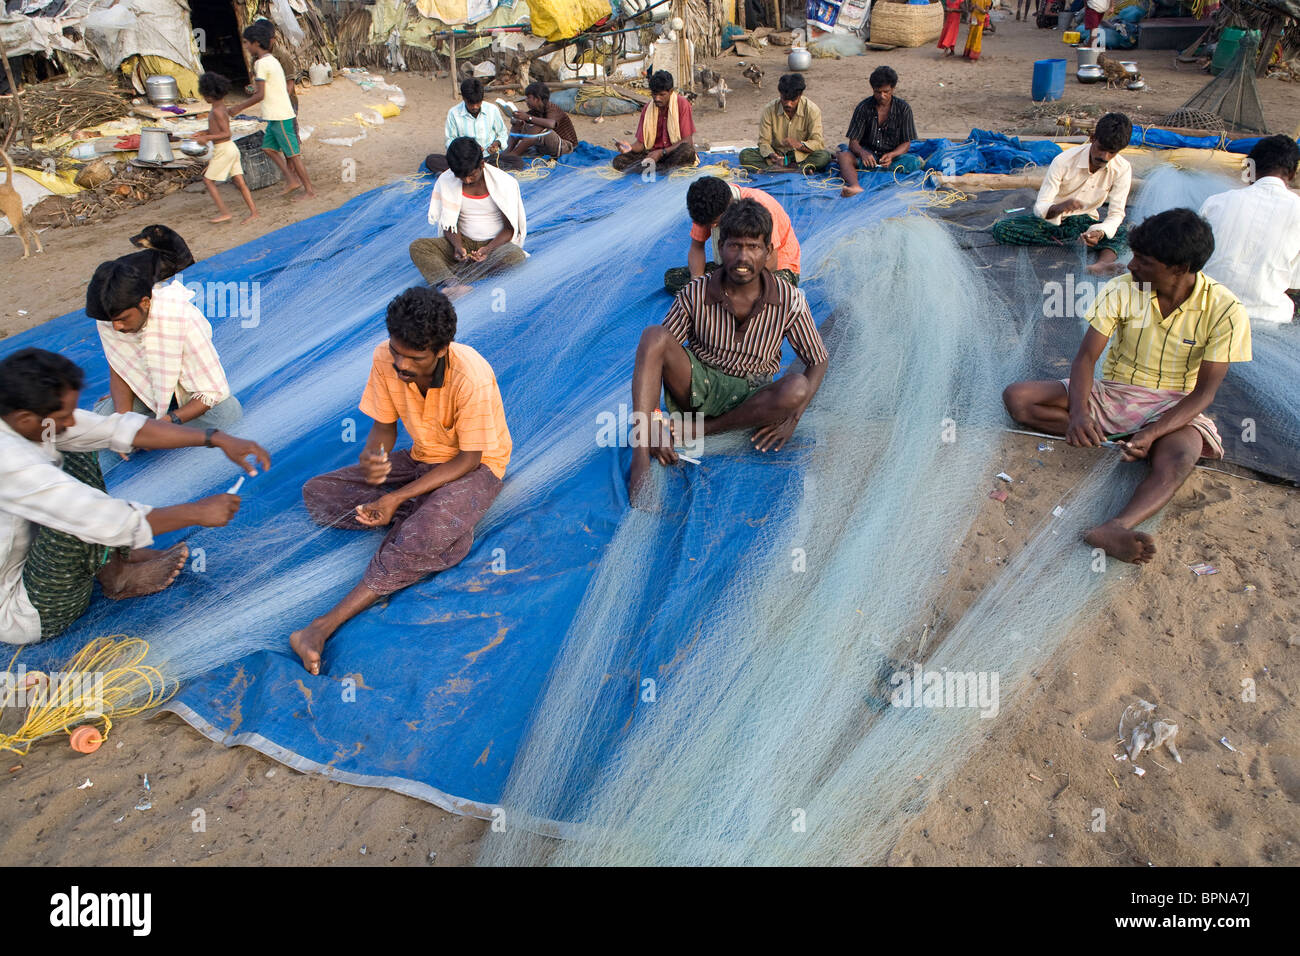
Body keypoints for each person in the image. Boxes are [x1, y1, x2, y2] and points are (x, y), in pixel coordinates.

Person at [1002, 209, 1251, 564]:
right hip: (1115, 392)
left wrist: (1153, 432)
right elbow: (1086, 359)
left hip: (1174, 406)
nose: (1131, 265)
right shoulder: (1123, 289)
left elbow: (1203, 394)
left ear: (1179, 268)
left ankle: (1115, 526)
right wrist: (1078, 413)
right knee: (1018, 398)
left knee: (1180, 458)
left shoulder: (1226, 310)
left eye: (1145, 261)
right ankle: (1118, 438)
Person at [290, 287, 511, 674]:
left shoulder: (470, 376)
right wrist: (374, 456)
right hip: (421, 457)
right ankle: (429, 516)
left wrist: (395, 498)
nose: (401, 364)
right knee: (319, 493)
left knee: (422, 533)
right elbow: (384, 428)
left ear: (441, 350)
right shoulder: (385, 358)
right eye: (396, 351)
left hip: (475, 469)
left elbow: (468, 459)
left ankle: (321, 627)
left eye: (414, 357)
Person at [0, 348, 269, 644]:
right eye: (64, 415)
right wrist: (197, 512)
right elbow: (96, 516)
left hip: (27, 555)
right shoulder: (11, 463)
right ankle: (116, 577)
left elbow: (112, 428)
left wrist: (214, 437)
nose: (72, 421)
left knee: (72, 447)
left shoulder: (23, 422)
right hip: (26, 610)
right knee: (78, 515)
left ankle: (114, 555)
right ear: (25, 418)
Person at [629, 199, 828, 503]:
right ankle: (641, 456)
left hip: (751, 398)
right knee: (653, 336)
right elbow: (659, 354)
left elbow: (818, 360)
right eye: (735, 246)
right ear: (720, 248)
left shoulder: (788, 299)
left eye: (753, 247)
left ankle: (701, 431)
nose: (743, 257)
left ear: (768, 252)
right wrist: (655, 419)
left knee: (797, 387)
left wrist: (794, 417)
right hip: (697, 385)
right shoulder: (696, 292)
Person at [86, 256, 242, 474]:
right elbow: (119, 367)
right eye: (111, 320)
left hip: (188, 397)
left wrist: (165, 424)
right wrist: (123, 422)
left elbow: (211, 391)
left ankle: (152, 434)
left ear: (145, 303)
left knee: (227, 413)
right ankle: (141, 434)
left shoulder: (181, 318)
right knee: (101, 430)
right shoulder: (109, 318)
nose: (116, 326)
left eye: (122, 319)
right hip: (146, 392)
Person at [990, 112, 1132, 274]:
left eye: (1112, 153)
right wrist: (1059, 208)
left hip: (1086, 224)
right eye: (1101, 149)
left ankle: (1101, 264)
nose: (1104, 157)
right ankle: (1071, 243)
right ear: (1093, 138)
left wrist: (1099, 232)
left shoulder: (1122, 169)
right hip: (1053, 222)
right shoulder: (1063, 161)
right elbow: (1041, 206)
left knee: (1125, 233)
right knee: (1002, 229)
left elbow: (1116, 214)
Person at [1199, 134, 1300, 326]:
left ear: (1249, 167)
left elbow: (1193, 263)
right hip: (1267, 319)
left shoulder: (1216, 203)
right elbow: (1294, 285)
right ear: (1293, 173)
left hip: (1208, 313)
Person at [409, 137, 527, 299]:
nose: (466, 180)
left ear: (482, 165)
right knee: (419, 247)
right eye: (460, 177)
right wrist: (457, 246)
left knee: (516, 256)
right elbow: (450, 223)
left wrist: (488, 249)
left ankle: (449, 273)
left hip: (494, 245)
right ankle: (453, 285)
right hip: (463, 241)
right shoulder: (447, 180)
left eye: (471, 175)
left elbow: (509, 229)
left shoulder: (504, 184)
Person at [664, 175, 801, 293]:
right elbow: (696, 248)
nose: (712, 227)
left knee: (774, 292)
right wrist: (696, 285)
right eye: (708, 225)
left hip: (773, 268)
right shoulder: (705, 208)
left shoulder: (759, 209)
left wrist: (738, 287)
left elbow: (771, 262)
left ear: (729, 209)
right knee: (673, 277)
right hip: (732, 266)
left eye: (716, 223)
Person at [231, 21, 316, 201]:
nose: (245, 47)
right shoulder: (269, 60)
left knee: (293, 154)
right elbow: (267, 89)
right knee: (268, 148)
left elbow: (261, 94)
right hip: (274, 115)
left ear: (256, 43)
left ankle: (309, 190)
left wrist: (238, 107)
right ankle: (291, 179)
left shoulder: (263, 64)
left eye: (246, 43)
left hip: (280, 115)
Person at [836, 66, 922, 197]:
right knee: (843, 157)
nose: (882, 96)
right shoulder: (863, 108)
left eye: (886, 92)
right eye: (877, 92)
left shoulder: (903, 109)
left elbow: (906, 143)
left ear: (893, 89)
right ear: (873, 90)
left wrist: (892, 155)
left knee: (914, 162)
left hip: (892, 159)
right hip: (868, 158)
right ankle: (855, 186)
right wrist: (862, 153)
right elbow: (853, 143)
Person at [192, 72, 259, 224]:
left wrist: (207, 138)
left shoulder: (216, 111)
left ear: (208, 94)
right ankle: (254, 212)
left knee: (208, 181)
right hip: (230, 148)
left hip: (224, 149)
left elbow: (226, 133)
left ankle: (224, 212)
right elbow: (220, 130)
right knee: (240, 182)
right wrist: (205, 132)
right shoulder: (220, 108)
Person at [737, 73, 832, 174]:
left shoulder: (812, 110)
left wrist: (799, 145)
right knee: (745, 154)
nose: (788, 104)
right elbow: (764, 141)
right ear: (780, 94)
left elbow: (818, 143)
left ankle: (775, 171)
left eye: (793, 100)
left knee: (824, 156)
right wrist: (772, 155)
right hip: (776, 155)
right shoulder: (769, 110)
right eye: (784, 99)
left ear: (800, 95)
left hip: (800, 155)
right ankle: (798, 170)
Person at [613, 70, 697, 174]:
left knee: (687, 151)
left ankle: (651, 169)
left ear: (671, 92)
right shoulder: (647, 108)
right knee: (618, 161)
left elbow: (687, 141)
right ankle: (661, 169)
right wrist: (629, 147)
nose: (657, 98)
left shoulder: (682, 104)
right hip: (651, 154)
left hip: (671, 153)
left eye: (662, 95)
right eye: (654, 94)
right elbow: (641, 144)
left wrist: (662, 152)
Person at [427, 78, 512, 174]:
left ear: (482, 98)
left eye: (478, 102)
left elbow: (502, 133)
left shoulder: (492, 110)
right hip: (465, 161)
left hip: (489, 158)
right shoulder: (454, 113)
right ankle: (477, 171)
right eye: (471, 103)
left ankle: (468, 172)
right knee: (431, 160)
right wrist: (466, 149)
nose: (475, 107)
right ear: (463, 98)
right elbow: (450, 141)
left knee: (517, 162)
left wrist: (497, 143)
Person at [503, 81, 578, 163]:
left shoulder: (553, 108)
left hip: (566, 147)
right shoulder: (535, 110)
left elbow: (551, 124)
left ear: (537, 99)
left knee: (540, 126)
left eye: (528, 97)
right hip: (548, 147)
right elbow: (525, 120)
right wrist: (515, 119)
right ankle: (509, 150)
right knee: (519, 124)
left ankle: (514, 154)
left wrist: (528, 117)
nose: (526, 100)